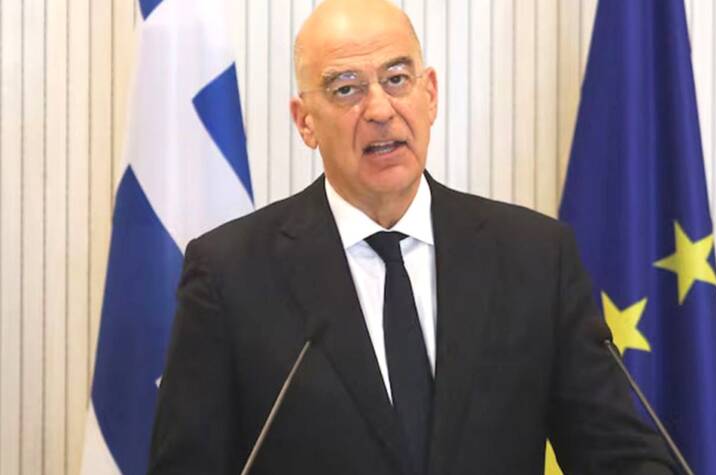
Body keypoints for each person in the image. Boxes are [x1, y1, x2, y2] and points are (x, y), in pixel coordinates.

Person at [148, 0, 678, 473]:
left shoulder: (535, 258)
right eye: (346, 88)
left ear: (430, 94)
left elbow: (618, 454)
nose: (380, 110)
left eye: (397, 78)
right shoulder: (231, 275)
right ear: (305, 121)